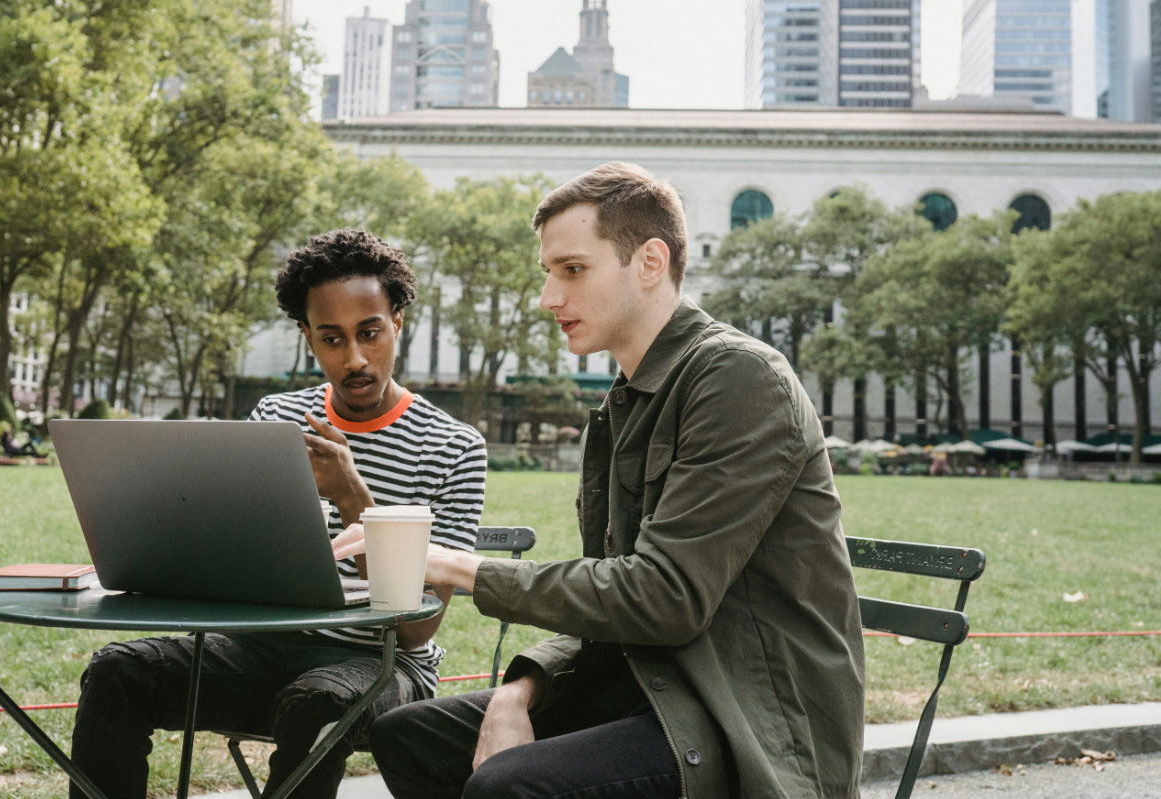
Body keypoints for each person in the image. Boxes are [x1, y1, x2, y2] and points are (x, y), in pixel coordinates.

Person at [350, 163, 866, 799]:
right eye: (548, 273)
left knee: (511, 785)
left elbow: (663, 595)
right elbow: (616, 593)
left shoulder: (739, 380)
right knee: (409, 735)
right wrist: (523, 688)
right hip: (650, 685)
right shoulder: (626, 402)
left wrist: (456, 567)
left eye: (572, 269)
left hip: (746, 719)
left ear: (650, 262)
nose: (548, 297)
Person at [67, 229, 487, 799]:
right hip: (258, 650)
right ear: (308, 338)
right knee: (119, 672)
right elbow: (239, 564)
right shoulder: (278, 417)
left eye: (371, 333)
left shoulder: (454, 445)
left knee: (316, 703)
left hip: (381, 666)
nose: (356, 358)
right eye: (332, 339)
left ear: (398, 323)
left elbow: (416, 627)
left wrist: (351, 497)